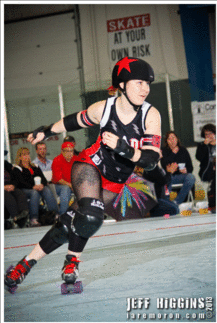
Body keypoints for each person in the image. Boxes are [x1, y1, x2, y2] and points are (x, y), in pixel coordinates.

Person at [4, 56, 161, 291]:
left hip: (115, 181)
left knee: (76, 221)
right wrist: (46, 132)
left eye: (148, 83)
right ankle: (72, 260)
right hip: (91, 165)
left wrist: (125, 149)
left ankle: (26, 263)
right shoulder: (104, 108)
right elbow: (73, 122)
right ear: (121, 84)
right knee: (90, 214)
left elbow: (151, 161)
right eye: (139, 82)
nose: (145, 89)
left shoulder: (151, 115)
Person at [12, 147, 59, 227]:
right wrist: (33, 187)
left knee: (46, 189)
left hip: (37, 187)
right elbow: (20, 183)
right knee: (34, 193)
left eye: (28, 154)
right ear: (19, 157)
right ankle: (33, 218)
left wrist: (42, 185)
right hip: (25, 189)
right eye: (24, 154)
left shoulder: (35, 167)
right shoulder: (17, 169)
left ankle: (54, 214)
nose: (26, 156)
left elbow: (43, 179)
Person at [161, 131, 195, 205]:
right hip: (170, 177)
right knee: (166, 180)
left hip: (181, 176)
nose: (172, 140)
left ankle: (177, 202)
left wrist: (186, 170)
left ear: (177, 139)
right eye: (169, 139)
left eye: (173, 138)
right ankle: (166, 203)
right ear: (167, 141)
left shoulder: (183, 150)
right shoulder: (164, 151)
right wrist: (173, 153)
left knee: (191, 177)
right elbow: (164, 166)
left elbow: (190, 167)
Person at [4, 155, 29, 229]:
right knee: (7, 196)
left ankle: (22, 213)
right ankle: (15, 217)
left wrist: (13, 185)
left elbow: (14, 176)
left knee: (19, 193)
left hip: (9, 185)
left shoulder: (5, 164)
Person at [195, 124, 216, 212]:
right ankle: (213, 204)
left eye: (210, 133)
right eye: (206, 134)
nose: (209, 136)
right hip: (207, 172)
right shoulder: (202, 145)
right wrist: (204, 145)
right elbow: (199, 157)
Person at [51, 141, 76, 215]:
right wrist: (70, 185)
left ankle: (83, 213)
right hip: (58, 186)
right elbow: (58, 179)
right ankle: (63, 215)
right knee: (65, 188)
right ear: (62, 151)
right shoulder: (57, 160)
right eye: (67, 151)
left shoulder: (76, 160)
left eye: (71, 151)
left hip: (73, 185)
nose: (69, 153)